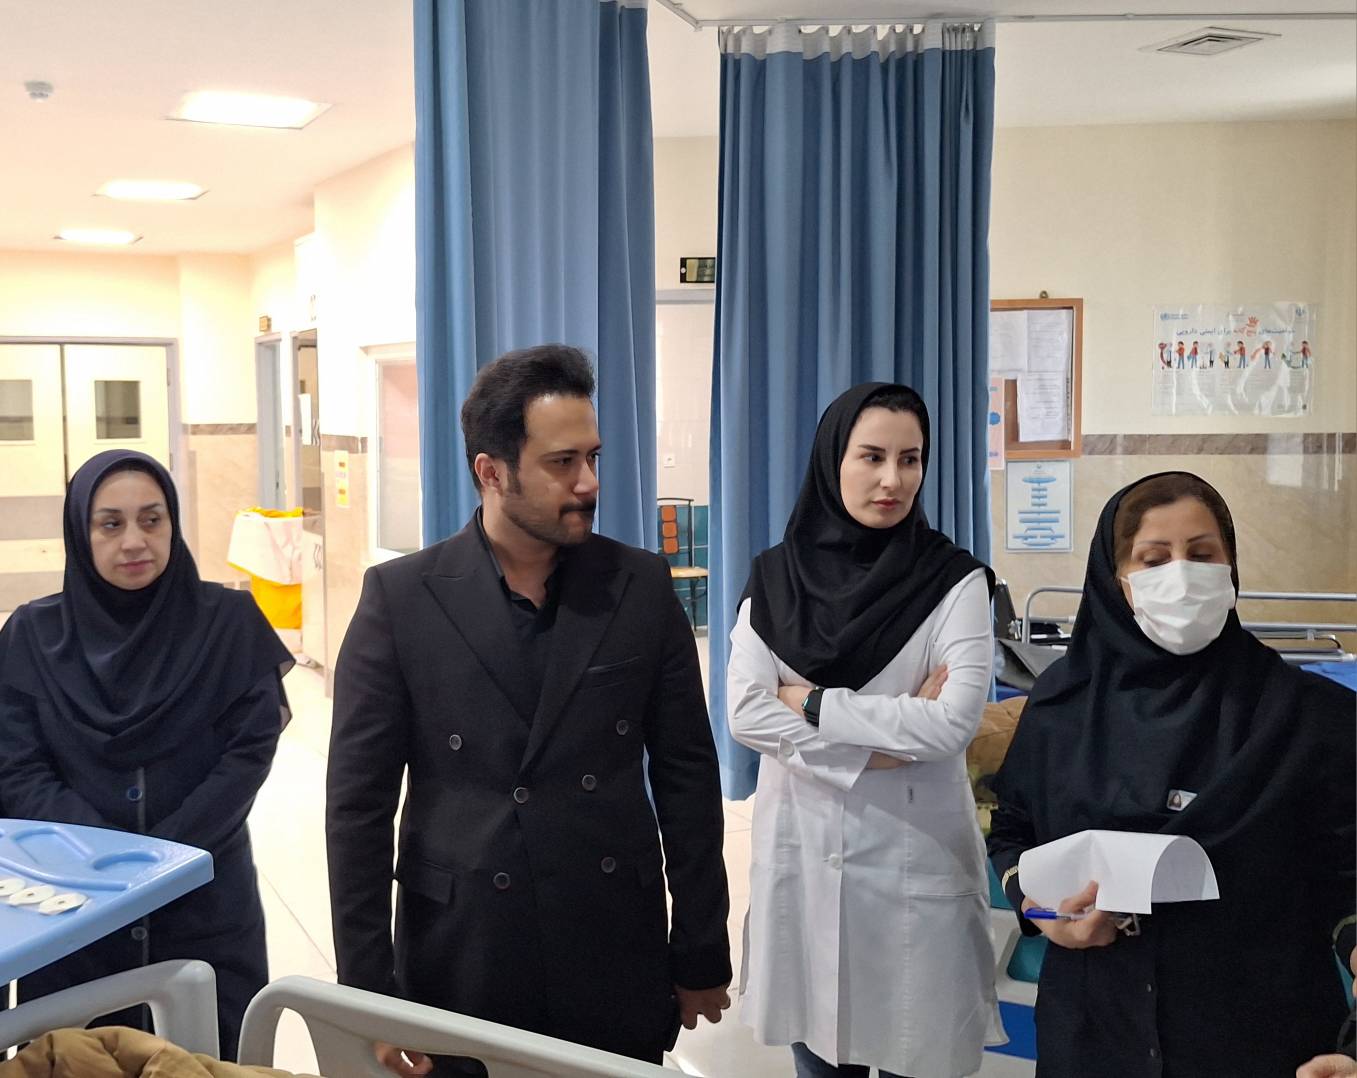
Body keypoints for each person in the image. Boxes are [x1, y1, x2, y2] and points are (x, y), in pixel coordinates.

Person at [326, 344, 731, 1077]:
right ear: (492, 472)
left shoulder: (639, 586)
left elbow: (687, 778)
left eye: (593, 458)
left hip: (611, 937)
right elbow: (357, 810)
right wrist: (369, 994)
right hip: (465, 949)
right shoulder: (402, 600)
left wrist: (701, 947)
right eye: (561, 463)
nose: (589, 482)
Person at [989, 472, 1356, 1077]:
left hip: (1261, 1036)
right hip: (1095, 1033)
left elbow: (1347, 874)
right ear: (1117, 581)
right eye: (1154, 560)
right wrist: (1046, 917)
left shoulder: (1304, 716)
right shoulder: (1063, 707)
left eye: (1202, 554)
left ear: (1230, 567)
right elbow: (1013, 833)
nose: (1181, 576)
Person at [728, 383, 1000, 1077]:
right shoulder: (775, 578)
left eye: (910, 459)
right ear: (833, 461)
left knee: (919, 1052)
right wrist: (876, 754)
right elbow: (745, 712)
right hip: (803, 862)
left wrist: (813, 703)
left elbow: (949, 725)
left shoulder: (955, 582)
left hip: (917, 865)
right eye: (872, 456)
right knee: (819, 1052)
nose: (892, 480)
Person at [0, 450, 293, 1060]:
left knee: (207, 1059)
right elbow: (18, 767)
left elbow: (247, 753)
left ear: (173, 524)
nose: (134, 541)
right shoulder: (31, 636)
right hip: (73, 906)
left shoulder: (229, 624)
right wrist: (107, 863)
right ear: (80, 533)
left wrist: (167, 862)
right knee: (78, 1062)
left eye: (151, 520)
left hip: (205, 899)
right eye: (110, 523)